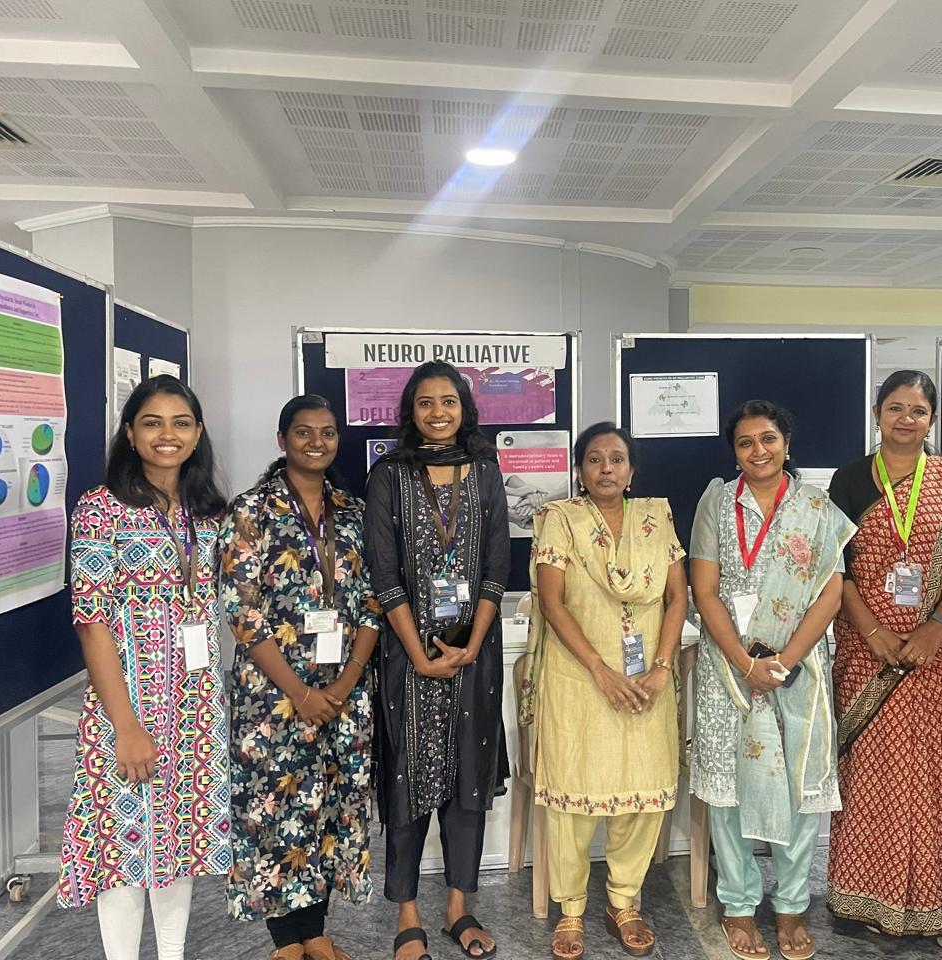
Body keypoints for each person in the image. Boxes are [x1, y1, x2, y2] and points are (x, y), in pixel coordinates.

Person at [59, 375, 232, 960]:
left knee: (179, 843)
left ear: (198, 433)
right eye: (152, 422)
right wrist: (126, 725)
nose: (168, 434)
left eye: (181, 422)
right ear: (130, 433)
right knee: (126, 849)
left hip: (195, 706)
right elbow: (91, 621)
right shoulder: (100, 510)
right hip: (126, 705)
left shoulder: (209, 514)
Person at [824, 370, 942, 948]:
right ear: (876, 413)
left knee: (935, 778)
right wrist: (870, 630)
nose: (905, 420)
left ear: (932, 419)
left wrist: (938, 628)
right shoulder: (848, 480)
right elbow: (833, 567)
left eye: (918, 411)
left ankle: (941, 905)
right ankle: (864, 897)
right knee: (869, 774)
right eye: (895, 408)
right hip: (866, 651)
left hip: (934, 656)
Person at [689, 400, 853, 960]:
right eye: (745, 442)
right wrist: (745, 661)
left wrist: (784, 660)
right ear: (733, 450)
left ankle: (790, 907)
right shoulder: (716, 501)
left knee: (801, 789)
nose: (757, 451)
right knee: (730, 793)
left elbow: (831, 592)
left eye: (768, 439)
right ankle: (738, 906)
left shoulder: (817, 506)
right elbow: (704, 590)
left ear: (786, 441)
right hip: (727, 671)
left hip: (798, 673)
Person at [220, 395, 381, 960]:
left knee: (329, 807)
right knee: (277, 807)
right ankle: (285, 940)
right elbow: (243, 612)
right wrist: (301, 692)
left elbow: (371, 605)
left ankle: (316, 930)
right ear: (283, 437)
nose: (318, 442)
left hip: (346, 692)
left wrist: (343, 684)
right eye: (304, 432)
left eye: (329, 433)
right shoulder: (250, 511)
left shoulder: (354, 513)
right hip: (273, 696)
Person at [363, 361, 511, 960]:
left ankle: (459, 908)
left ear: (465, 408)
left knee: (467, 778)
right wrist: (417, 655)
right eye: (425, 403)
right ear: (411, 412)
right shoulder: (388, 475)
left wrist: (472, 645)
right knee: (406, 776)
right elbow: (383, 570)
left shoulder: (484, 472)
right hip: (407, 657)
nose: (438, 413)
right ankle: (406, 913)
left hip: (474, 653)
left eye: (448, 401)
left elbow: (497, 566)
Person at [524, 422, 688, 960]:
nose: (606, 469)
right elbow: (554, 603)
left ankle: (624, 900)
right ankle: (571, 907)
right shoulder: (559, 521)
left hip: (647, 680)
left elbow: (677, 597)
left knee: (642, 793)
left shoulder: (655, 516)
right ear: (580, 468)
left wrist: (661, 667)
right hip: (578, 678)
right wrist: (600, 670)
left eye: (617, 459)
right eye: (594, 459)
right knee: (573, 797)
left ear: (632, 469)